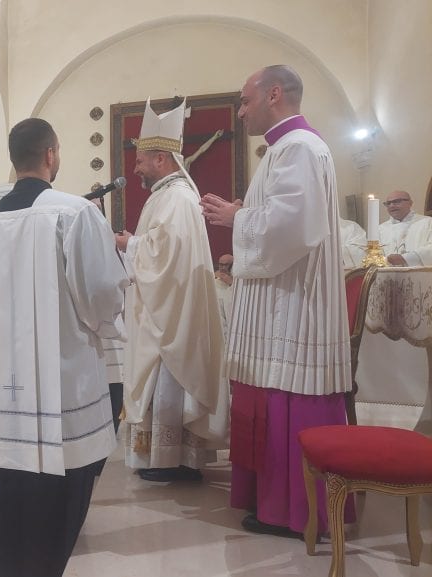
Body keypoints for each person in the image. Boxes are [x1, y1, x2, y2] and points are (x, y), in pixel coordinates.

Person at [0, 118, 128, 577]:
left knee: (11, 482)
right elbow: (102, 292)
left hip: (4, 384)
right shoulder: (75, 212)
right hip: (62, 376)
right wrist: (108, 321)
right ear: (51, 154)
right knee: (61, 487)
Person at [201, 64, 353, 537]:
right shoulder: (285, 148)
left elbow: (295, 226)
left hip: (295, 305)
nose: (240, 112)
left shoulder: (300, 147)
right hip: (279, 300)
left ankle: (296, 512)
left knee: (290, 395)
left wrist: (238, 218)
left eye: (244, 101)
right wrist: (244, 214)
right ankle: (272, 503)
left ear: (273, 95)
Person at [115, 98, 228, 483]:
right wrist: (136, 244)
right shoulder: (168, 194)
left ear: (161, 159)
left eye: (140, 161)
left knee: (168, 383)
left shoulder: (176, 197)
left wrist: (129, 244)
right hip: (165, 307)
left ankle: (172, 459)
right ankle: (164, 457)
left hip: (171, 315)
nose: (135, 168)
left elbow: (166, 255)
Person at [378, 190, 432, 266]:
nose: (391, 206)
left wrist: (406, 258)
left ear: (410, 203)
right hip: (389, 272)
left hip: (419, 272)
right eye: (388, 203)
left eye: (397, 201)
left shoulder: (428, 222)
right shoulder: (381, 229)